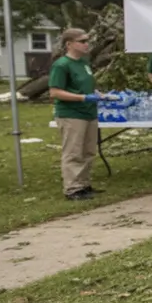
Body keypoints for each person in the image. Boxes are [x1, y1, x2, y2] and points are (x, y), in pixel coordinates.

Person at [47, 29, 106, 201]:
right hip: (72, 113)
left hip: (89, 112)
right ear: (69, 44)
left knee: (88, 150)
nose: (86, 44)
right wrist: (82, 97)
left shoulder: (84, 63)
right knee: (73, 152)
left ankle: (84, 185)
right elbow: (55, 92)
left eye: (87, 40)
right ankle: (72, 188)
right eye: (82, 41)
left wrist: (98, 94)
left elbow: (84, 85)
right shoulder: (61, 65)